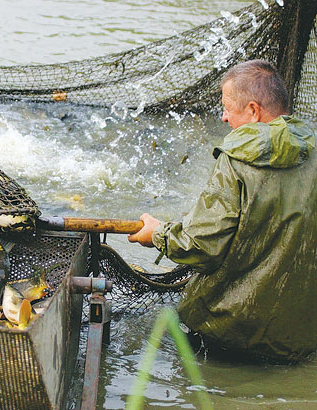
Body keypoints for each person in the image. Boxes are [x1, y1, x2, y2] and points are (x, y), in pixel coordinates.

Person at [128, 59, 317, 362]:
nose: (224, 117)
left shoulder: (237, 159)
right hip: (300, 342)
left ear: (254, 111)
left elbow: (203, 247)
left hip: (230, 333)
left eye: (228, 108)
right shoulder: (313, 151)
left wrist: (158, 234)